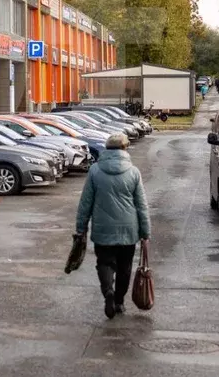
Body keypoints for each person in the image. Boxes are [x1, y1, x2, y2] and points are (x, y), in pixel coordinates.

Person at [75, 133, 151, 319]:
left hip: (103, 229)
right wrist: (145, 232)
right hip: (128, 230)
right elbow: (141, 205)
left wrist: (81, 227)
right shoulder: (133, 172)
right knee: (125, 268)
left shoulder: (94, 171)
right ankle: (119, 301)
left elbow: (86, 202)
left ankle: (108, 291)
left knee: (104, 263)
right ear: (124, 149)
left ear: (107, 149)